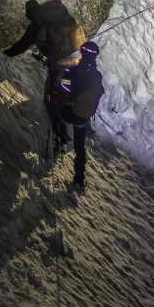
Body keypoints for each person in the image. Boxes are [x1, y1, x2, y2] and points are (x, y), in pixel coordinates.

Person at [49, 40, 104, 193]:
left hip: (68, 113)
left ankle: (59, 142)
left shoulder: (71, 71)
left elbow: (63, 89)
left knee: (56, 114)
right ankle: (79, 179)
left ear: (82, 53)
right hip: (83, 117)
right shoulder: (97, 76)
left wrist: (59, 93)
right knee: (80, 147)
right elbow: (99, 92)